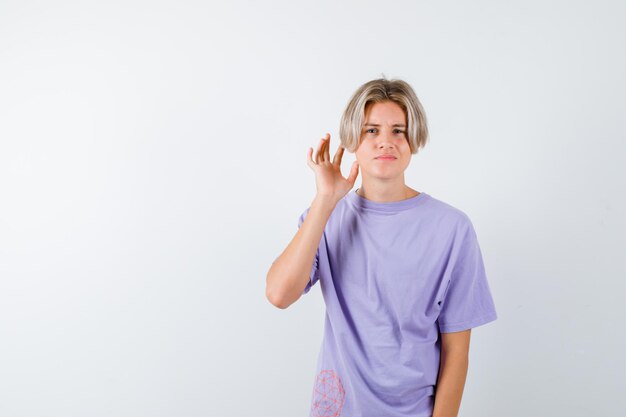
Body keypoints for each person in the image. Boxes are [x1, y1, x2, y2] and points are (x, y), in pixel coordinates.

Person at [265, 78, 498, 417]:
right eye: (371, 130)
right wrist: (324, 201)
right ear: (352, 141)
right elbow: (278, 294)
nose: (385, 142)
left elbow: (457, 351)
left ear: (413, 140)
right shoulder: (327, 218)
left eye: (398, 131)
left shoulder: (452, 228)